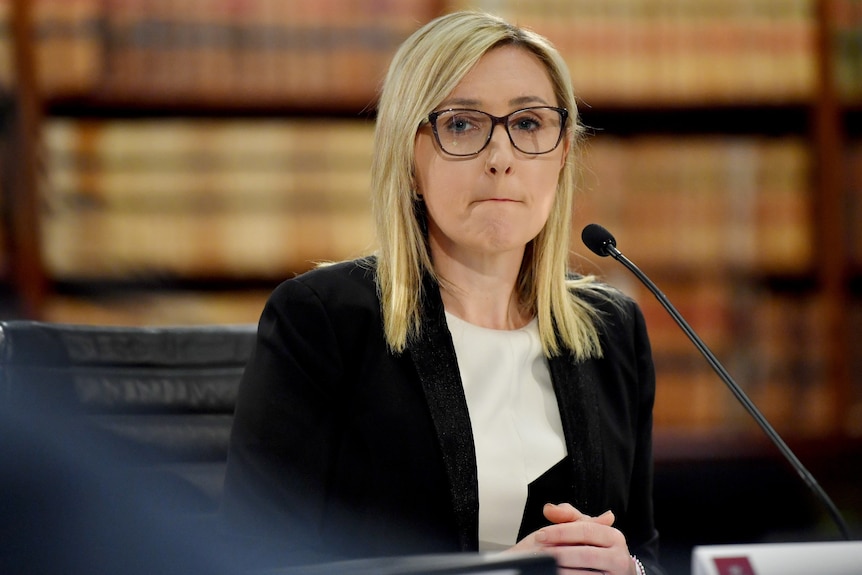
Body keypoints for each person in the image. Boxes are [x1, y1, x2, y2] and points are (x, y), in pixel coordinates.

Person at [222, 10, 665, 575]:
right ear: (407, 158)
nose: (501, 158)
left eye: (529, 124)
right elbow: (252, 561)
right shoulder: (324, 320)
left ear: (562, 156)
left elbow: (646, 548)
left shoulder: (613, 329)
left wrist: (630, 571)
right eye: (461, 125)